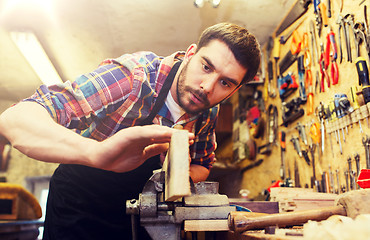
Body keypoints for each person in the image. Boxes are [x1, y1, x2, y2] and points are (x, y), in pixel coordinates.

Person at [0, 22, 260, 239]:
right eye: (206, 66)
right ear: (190, 53)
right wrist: (97, 153)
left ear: (235, 90)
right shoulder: (133, 78)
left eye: (225, 83)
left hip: (138, 214)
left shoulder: (208, 109)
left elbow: (203, 163)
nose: (207, 86)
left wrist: (176, 180)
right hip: (77, 206)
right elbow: (14, 119)